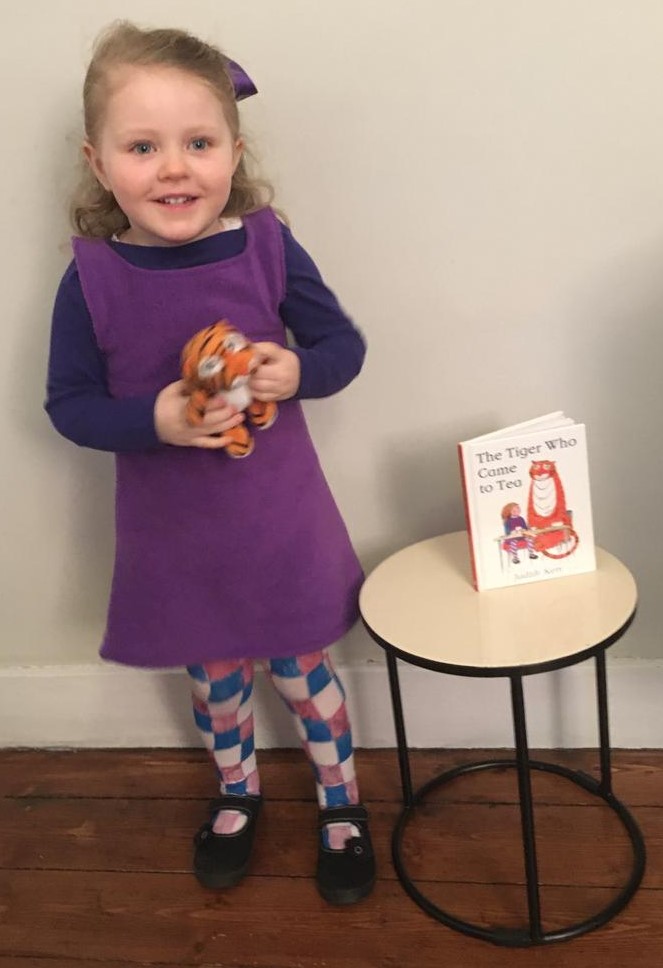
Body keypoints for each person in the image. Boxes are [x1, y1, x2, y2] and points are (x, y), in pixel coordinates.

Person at [45, 20, 374, 906]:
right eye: (143, 146)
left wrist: (297, 368)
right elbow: (69, 407)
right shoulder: (91, 279)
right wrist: (150, 417)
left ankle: (342, 805)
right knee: (217, 684)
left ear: (234, 149)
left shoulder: (266, 244)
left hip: (278, 525)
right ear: (99, 160)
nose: (174, 167)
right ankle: (238, 794)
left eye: (198, 142)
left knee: (307, 677)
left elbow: (341, 345)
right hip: (178, 544)